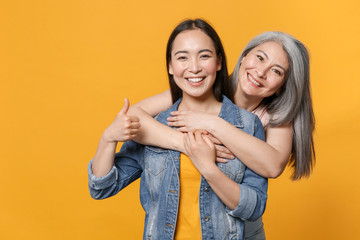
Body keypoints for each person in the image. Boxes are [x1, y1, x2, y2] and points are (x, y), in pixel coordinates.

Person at [88, 19, 268, 240]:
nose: (194, 67)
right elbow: (101, 188)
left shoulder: (247, 125)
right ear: (171, 67)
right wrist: (108, 139)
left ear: (219, 62)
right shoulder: (154, 126)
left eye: (204, 56)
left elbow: (254, 207)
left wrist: (208, 168)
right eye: (182, 57)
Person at [127, 31, 315, 239]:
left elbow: (273, 165)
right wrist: (185, 144)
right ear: (244, 56)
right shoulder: (202, 84)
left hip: (242, 230)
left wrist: (212, 123)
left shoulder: (274, 116)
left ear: (282, 86)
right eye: (260, 58)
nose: (261, 72)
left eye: (276, 71)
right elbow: (132, 117)